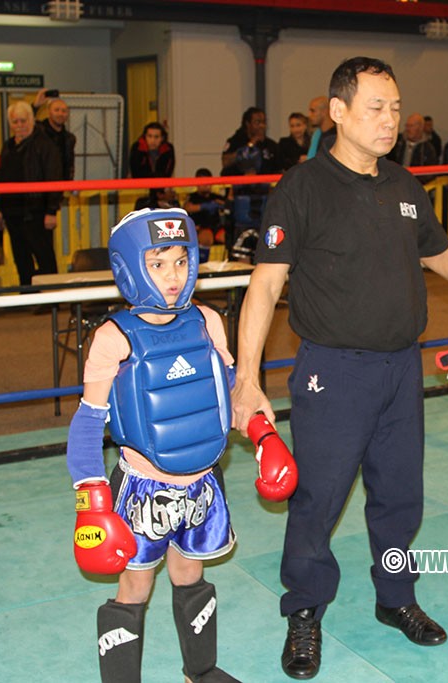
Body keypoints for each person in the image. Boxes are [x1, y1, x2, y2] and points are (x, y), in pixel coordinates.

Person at [230, 56, 448, 680]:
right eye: (375, 109)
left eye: (394, 108)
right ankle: (304, 612)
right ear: (338, 111)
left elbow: (442, 255)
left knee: (398, 497)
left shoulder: (404, 186)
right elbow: (264, 285)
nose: (390, 121)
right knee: (318, 498)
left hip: (399, 371)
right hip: (332, 371)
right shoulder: (301, 189)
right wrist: (246, 377)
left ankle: (396, 598)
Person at [66, 207, 294, 683]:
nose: (173, 276)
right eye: (157, 263)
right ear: (131, 268)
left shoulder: (207, 321)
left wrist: (264, 435)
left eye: (180, 261)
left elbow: (231, 393)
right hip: (142, 488)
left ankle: (201, 671)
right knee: (136, 585)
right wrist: (91, 503)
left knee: (190, 576)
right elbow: (87, 424)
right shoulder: (113, 337)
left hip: (201, 485)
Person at [0, 100, 63, 287]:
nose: (19, 126)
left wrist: (51, 210)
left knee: (44, 255)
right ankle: (27, 294)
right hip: (12, 210)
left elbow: (54, 177)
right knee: (20, 255)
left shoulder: (44, 145)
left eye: (23, 121)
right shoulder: (8, 146)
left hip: (36, 210)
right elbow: (2, 177)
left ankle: (51, 297)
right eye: (15, 122)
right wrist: (0, 209)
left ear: (32, 120)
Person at [34, 90, 77, 181]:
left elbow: (69, 166)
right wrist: (35, 106)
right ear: (49, 112)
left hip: (60, 187)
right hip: (40, 187)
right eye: (56, 110)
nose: (60, 114)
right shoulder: (38, 131)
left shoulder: (70, 138)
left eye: (64, 111)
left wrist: (69, 184)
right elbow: (25, 121)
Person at [305, 95, 335, 160]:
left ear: (324, 112)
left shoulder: (336, 136)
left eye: (313, 111)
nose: (309, 115)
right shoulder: (316, 135)